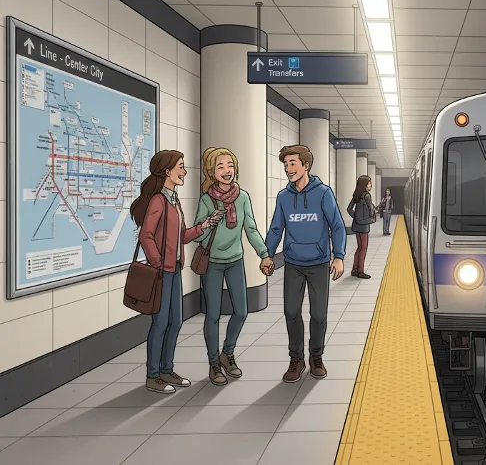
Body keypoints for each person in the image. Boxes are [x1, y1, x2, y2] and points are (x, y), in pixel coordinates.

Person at [130, 150, 223, 394]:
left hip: (174, 272)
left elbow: (181, 236)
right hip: (162, 273)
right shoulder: (158, 201)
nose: (184, 171)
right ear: (167, 171)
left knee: (176, 322)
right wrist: (158, 262)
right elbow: (146, 235)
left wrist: (204, 226)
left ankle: (166, 369)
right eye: (180, 167)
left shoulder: (174, 200)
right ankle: (153, 375)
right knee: (160, 323)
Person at [265, 145, 346, 383]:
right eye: (286, 164)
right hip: (293, 263)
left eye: (293, 163)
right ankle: (296, 358)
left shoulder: (323, 193)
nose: (288, 169)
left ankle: (316, 357)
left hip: (319, 263)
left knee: (318, 314)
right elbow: (276, 228)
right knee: (291, 312)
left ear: (306, 165)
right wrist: (268, 254)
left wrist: (338, 256)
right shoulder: (283, 197)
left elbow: (337, 226)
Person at [194, 147, 272, 386]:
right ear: (211, 171)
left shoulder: (243, 197)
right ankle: (213, 363)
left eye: (230, 165)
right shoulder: (207, 199)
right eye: (220, 166)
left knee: (241, 311)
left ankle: (227, 353)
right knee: (214, 315)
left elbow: (250, 228)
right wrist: (208, 223)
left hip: (235, 261)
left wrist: (264, 254)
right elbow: (198, 235)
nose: (227, 171)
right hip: (213, 264)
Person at [347, 175, 376, 279]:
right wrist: (372, 215)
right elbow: (371, 210)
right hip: (364, 225)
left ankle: (354, 269)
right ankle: (360, 271)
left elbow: (349, 209)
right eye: (369, 183)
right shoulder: (367, 196)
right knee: (363, 248)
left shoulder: (356, 195)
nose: (370, 185)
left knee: (359, 248)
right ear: (364, 185)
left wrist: (356, 217)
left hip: (357, 224)